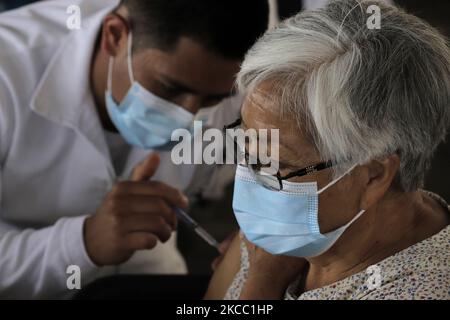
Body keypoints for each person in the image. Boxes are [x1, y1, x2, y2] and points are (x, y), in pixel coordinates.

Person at [0, 0, 268, 298]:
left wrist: (265, 232)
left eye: (210, 101)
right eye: (170, 88)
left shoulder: (244, 83)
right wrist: (83, 244)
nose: (188, 119)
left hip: (147, 267)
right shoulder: (7, 73)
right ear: (114, 37)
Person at [206, 0, 450, 300]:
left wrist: (262, 284)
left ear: (373, 176)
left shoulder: (422, 290)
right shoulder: (288, 226)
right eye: (246, 143)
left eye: (276, 163)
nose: (250, 175)